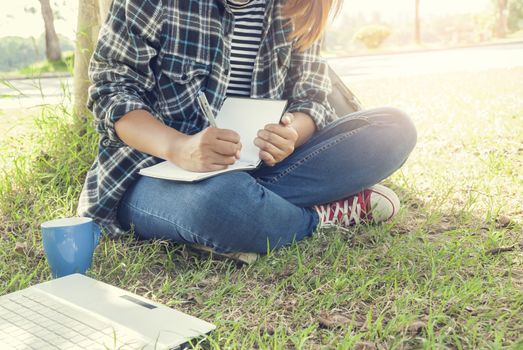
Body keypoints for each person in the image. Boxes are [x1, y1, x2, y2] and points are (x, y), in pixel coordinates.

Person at [77, 0, 417, 255]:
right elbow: (112, 93)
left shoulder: (297, 6)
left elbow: (312, 98)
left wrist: (291, 134)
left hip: (259, 167)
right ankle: (317, 217)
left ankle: (255, 216)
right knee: (222, 202)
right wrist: (180, 148)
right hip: (153, 174)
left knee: (393, 129)